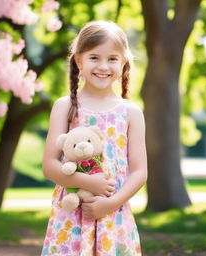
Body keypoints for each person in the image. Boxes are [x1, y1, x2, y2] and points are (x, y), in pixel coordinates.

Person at [41, 20, 147, 256]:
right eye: (94, 58)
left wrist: (110, 203)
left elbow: (139, 172)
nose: (103, 66)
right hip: (71, 214)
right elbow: (49, 165)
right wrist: (88, 182)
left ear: (124, 62)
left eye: (112, 59)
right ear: (79, 60)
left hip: (113, 213)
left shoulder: (131, 113)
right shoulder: (65, 107)